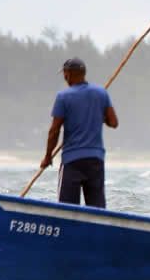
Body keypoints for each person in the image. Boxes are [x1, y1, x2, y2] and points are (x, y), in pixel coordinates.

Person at [42, 57, 118, 207]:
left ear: (68, 74)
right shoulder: (101, 93)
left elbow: (54, 130)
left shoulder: (63, 97)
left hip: (72, 160)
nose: (64, 77)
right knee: (97, 210)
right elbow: (113, 122)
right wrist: (99, 115)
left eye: (64, 73)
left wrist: (47, 156)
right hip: (95, 159)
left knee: (67, 210)